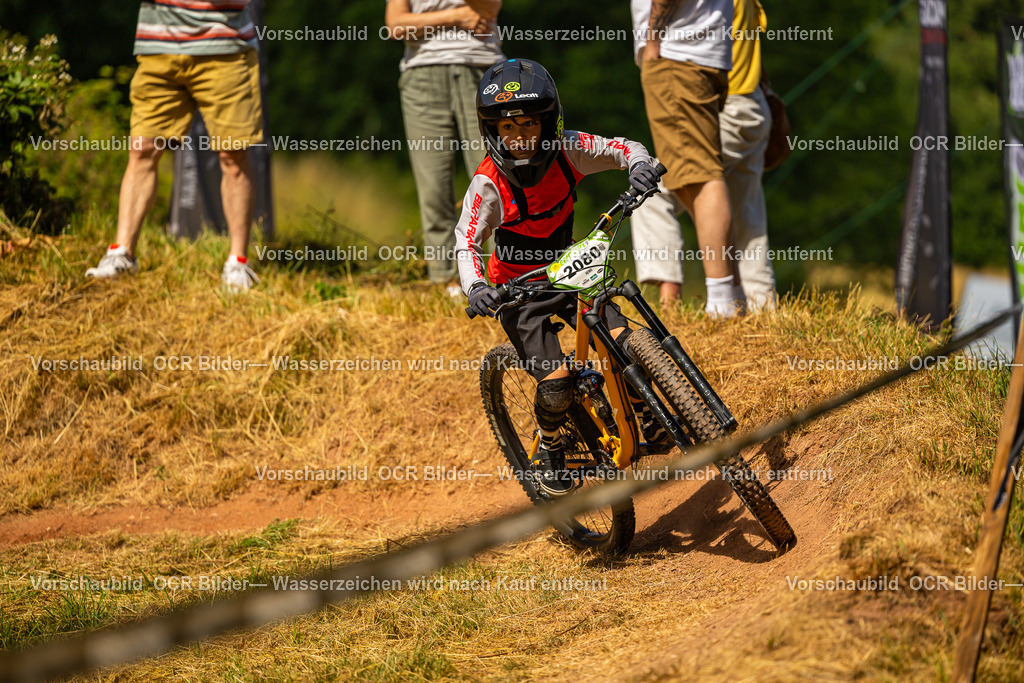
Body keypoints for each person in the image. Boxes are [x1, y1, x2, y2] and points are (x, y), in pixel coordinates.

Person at [454, 58, 662, 495]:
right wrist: (476, 288)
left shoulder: (570, 149)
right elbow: (466, 241)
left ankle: (646, 412)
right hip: (517, 293)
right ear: (491, 132)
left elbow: (624, 148)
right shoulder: (488, 183)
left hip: (569, 272)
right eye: (506, 128)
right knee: (556, 387)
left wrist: (640, 166)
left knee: (623, 337)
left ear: (549, 121)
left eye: (528, 123)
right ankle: (550, 449)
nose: (518, 137)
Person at [85, 0, 263, 291]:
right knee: (142, 147)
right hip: (159, 46)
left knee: (233, 155)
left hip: (226, 48)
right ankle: (122, 254)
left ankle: (238, 262)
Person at [630, 0, 777, 311]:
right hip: (753, 102)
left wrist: (652, 40)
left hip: (721, 95)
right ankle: (760, 303)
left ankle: (677, 299)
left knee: (655, 189)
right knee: (744, 206)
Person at [385, 0, 505, 296]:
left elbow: (489, 8)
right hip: (421, 75)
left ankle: (507, 278)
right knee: (433, 188)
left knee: (498, 183)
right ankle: (447, 281)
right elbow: (397, 25)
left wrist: (429, 20)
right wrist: (457, 16)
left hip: (482, 69)